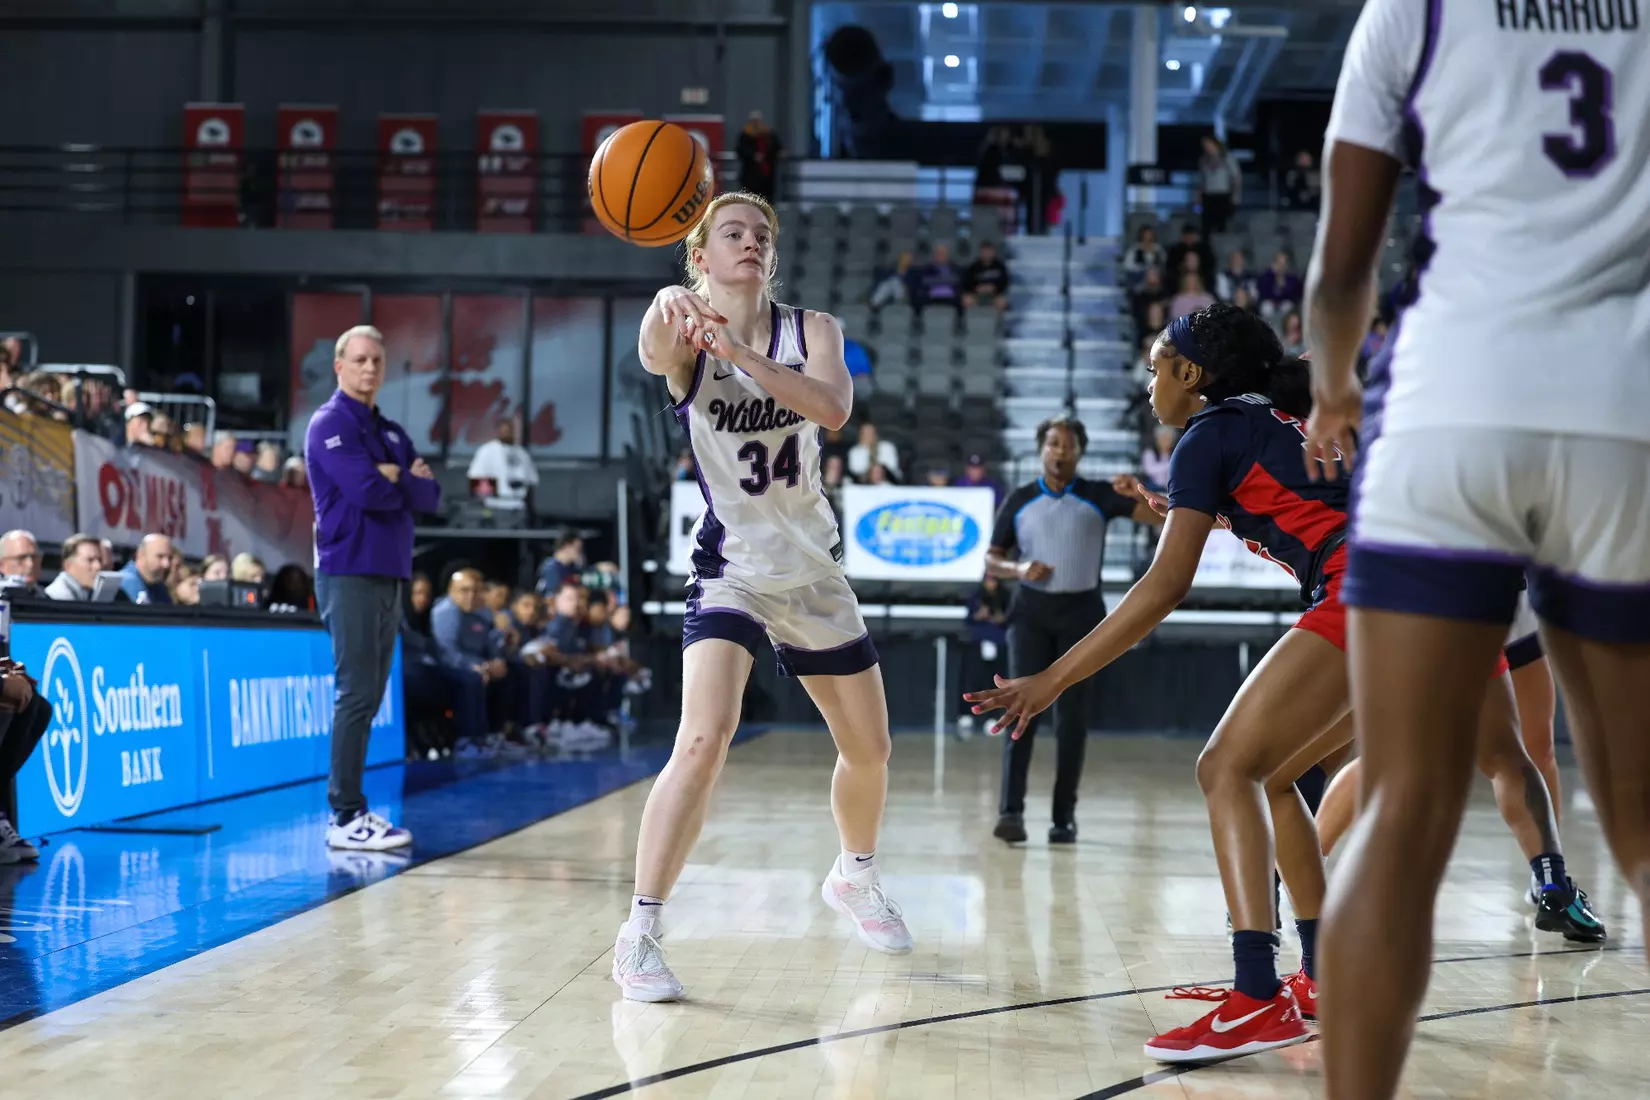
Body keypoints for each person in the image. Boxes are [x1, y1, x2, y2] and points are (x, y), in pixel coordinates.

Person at [1301, 7, 1650, 1094]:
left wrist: (1333, 386)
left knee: (1405, 807)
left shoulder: (1415, 8)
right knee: (1641, 825)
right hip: (1621, 410)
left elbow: (1339, 270)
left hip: (1453, 401)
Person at [967, 304, 1360, 1063]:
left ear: (1190, 373)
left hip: (1365, 591)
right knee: (1275, 777)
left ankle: (1256, 997)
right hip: (1429, 603)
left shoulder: (1206, 435)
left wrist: (1050, 678)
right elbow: (1293, 503)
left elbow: (1161, 589)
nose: (1148, 383)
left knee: (1224, 768)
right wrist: (1190, 512)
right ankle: (1321, 975)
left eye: (1154, 367)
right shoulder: (1274, 419)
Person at [613, 189, 913, 1003]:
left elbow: (833, 407)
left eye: (762, 235)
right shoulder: (681, 331)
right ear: (701, 255)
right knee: (702, 741)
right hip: (731, 570)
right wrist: (664, 305)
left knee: (872, 751)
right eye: (732, 233)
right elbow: (649, 353)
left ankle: (854, 874)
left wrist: (741, 356)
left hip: (813, 571)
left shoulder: (812, 330)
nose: (750, 243)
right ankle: (640, 932)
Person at [1311, 591, 1604, 944]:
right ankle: (1550, 882)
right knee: (1525, 754)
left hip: (1452, 599)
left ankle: (1295, 871)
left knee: (1407, 755)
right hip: (1495, 600)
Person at [984, 415, 1161, 845]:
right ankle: (1011, 812)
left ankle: (1063, 818)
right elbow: (992, 560)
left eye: (1068, 445)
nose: (1060, 451)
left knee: (1072, 722)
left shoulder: (1100, 495)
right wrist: (1020, 568)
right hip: (1030, 615)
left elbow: (1163, 519)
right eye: (1052, 444)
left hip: (1083, 616)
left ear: (1081, 451)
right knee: (1020, 712)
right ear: (1041, 449)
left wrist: (1140, 491)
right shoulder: (1019, 499)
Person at [307, 324, 442, 852]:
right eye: (360, 360)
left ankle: (350, 811)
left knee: (368, 694)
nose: (369, 369)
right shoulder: (328, 424)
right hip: (350, 572)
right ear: (340, 366)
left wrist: (398, 477)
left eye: (377, 362)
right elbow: (367, 492)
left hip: (388, 573)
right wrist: (394, 480)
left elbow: (430, 496)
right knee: (357, 693)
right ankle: (344, 816)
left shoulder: (388, 431)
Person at [467, 418, 537, 515]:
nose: (507, 433)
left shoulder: (522, 454)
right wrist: (486, 504)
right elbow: (476, 477)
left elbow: (531, 481)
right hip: (495, 506)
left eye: (510, 430)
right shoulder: (487, 450)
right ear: (498, 431)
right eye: (504, 430)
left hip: (518, 506)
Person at [45, 533, 113, 602]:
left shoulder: (89, 592)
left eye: (99, 560)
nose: (98, 566)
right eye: (90, 560)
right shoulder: (57, 597)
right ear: (68, 565)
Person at [1197, 133, 1241, 237]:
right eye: (1205, 146)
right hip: (1208, 196)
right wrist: (1198, 198)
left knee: (1222, 225)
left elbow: (1236, 178)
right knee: (1206, 226)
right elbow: (1201, 181)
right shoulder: (1203, 161)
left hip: (1223, 195)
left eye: (1208, 144)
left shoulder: (1228, 158)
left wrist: (1236, 196)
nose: (1207, 147)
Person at [735, 110, 782, 200]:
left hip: (766, 173)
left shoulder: (768, 134)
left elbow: (775, 147)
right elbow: (741, 150)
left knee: (766, 198)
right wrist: (753, 155)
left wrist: (778, 152)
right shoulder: (746, 134)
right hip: (751, 173)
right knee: (750, 197)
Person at [119, 534, 176, 604]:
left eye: (170, 558)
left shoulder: (160, 588)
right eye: (160, 556)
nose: (166, 564)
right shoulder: (122, 584)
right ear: (141, 555)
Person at [0, 530, 42, 594]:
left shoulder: (47, 597)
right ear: (2, 565)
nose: (30, 564)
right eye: (21, 558)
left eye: (34, 557)